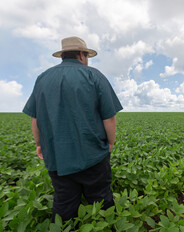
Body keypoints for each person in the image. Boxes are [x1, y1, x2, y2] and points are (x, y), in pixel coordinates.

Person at [22, 36, 123, 221]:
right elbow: (109, 117)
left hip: (57, 157)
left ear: (63, 55)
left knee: (64, 203)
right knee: (100, 200)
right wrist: (110, 143)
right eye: (87, 56)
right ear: (81, 54)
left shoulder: (42, 79)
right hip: (93, 154)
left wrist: (39, 144)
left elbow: (34, 118)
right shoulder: (94, 75)